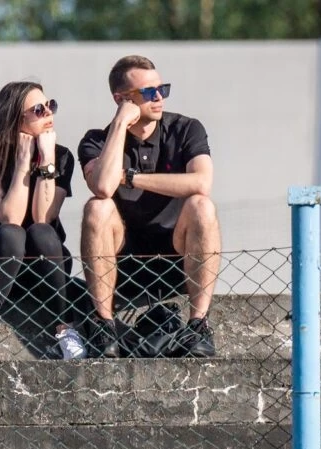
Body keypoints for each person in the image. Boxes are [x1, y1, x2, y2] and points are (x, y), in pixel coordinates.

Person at [78, 55, 221, 358]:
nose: (158, 97)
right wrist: (120, 124)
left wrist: (131, 178)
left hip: (177, 258)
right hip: (121, 264)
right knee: (97, 207)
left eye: (162, 89)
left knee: (201, 206)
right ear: (121, 99)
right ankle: (104, 327)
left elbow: (202, 182)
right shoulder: (96, 141)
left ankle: (198, 326)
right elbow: (103, 186)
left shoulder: (186, 128)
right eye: (147, 92)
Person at [0, 81, 86, 361]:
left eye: (51, 105)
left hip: (44, 269)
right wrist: (23, 162)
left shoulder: (61, 156)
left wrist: (46, 159)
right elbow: (10, 217)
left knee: (42, 231)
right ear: (14, 118)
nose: (49, 113)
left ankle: (66, 330)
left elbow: (43, 216)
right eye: (39, 109)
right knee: (12, 233)